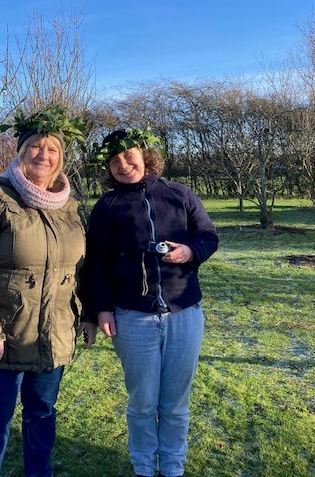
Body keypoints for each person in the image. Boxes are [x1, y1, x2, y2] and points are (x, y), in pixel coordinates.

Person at [0, 106, 96, 477]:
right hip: (4, 333)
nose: (43, 155)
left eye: (52, 149)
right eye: (35, 146)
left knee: (42, 414)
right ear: (21, 152)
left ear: (61, 158)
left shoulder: (70, 207)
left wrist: (87, 316)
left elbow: (82, 268)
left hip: (53, 334)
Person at [82, 128, 218, 477]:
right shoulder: (106, 207)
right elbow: (95, 262)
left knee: (175, 404)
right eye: (114, 162)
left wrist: (191, 252)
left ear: (144, 154)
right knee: (142, 403)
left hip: (184, 312)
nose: (123, 165)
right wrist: (100, 308)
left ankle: (172, 467)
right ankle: (144, 467)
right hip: (132, 317)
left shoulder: (178, 194)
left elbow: (208, 235)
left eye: (128, 156)